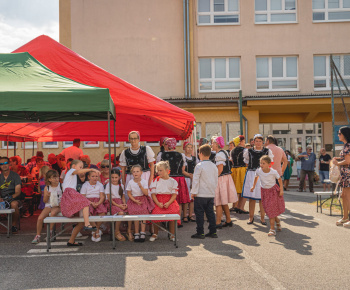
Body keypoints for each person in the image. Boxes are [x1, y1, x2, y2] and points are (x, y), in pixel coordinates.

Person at [60, 159, 101, 247]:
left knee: (82, 218)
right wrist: (91, 170)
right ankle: (88, 224)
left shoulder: (73, 176)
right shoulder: (71, 171)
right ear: (74, 166)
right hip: (69, 194)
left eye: (82, 167)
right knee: (85, 203)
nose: (81, 169)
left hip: (69, 195)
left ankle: (71, 241)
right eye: (80, 167)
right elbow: (78, 171)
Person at [242, 134, 274, 225]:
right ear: (253, 142)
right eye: (256, 141)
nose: (258, 143)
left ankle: (262, 218)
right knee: (252, 198)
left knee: (262, 198)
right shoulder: (249, 151)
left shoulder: (267, 151)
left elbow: (270, 163)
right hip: (252, 174)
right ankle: (251, 217)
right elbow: (247, 162)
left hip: (263, 175)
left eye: (260, 141)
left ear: (262, 142)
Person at [251, 156, 285, 236]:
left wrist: (281, 189)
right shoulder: (259, 171)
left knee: (271, 209)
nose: (261, 165)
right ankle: (277, 221)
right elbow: (256, 177)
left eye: (263, 163)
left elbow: (279, 179)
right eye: (261, 163)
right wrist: (253, 186)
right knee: (268, 209)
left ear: (269, 164)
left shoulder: (273, 171)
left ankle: (272, 229)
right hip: (264, 191)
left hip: (272, 191)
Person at [190, 144, 218, 239]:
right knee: (210, 213)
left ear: (200, 153)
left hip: (200, 194)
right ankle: (213, 231)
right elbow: (215, 179)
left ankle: (200, 232)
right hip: (210, 194)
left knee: (199, 214)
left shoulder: (199, 166)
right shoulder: (214, 166)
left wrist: (193, 192)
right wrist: (213, 190)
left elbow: (196, 180)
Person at [161, 138, 190, 226]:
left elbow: (160, 169)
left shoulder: (162, 155)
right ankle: (178, 221)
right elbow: (183, 169)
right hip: (179, 178)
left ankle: (168, 220)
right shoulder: (181, 155)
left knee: (168, 199)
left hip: (167, 178)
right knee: (179, 200)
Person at [150, 161, 180, 242]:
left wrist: (169, 203)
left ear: (167, 170)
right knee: (155, 214)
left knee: (173, 214)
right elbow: (153, 194)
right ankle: (155, 233)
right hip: (158, 200)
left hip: (170, 201)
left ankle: (172, 234)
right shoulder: (155, 181)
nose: (159, 172)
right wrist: (158, 203)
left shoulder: (173, 181)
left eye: (161, 170)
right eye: (158, 170)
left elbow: (174, 194)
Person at [211, 136, 238, 229]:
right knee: (223, 201)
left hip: (221, 179)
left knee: (218, 201)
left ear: (217, 144)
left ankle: (218, 222)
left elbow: (220, 170)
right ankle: (228, 220)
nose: (212, 145)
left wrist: (213, 179)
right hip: (225, 178)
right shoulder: (224, 152)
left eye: (213, 143)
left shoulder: (219, 155)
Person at [31, 170, 62, 244]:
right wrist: (47, 195)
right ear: (49, 179)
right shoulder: (47, 188)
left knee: (53, 213)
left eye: (57, 177)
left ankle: (50, 232)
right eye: (54, 178)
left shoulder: (61, 186)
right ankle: (38, 235)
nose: (56, 179)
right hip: (49, 204)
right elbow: (45, 201)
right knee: (40, 218)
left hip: (58, 204)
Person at [126, 165, 154, 242]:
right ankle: (136, 232)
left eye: (137, 171)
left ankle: (142, 232)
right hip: (134, 200)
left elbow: (145, 193)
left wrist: (141, 186)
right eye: (134, 171)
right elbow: (129, 193)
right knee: (135, 216)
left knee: (143, 215)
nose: (135, 173)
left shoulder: (144, 181)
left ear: (141, 173)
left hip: (142, 199)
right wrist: (134, 200)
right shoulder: (130, 182)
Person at [80, 171, 107, 242]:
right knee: (88, 214)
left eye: (96, 176)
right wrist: (91, 203)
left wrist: (98, 203)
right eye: (93, 176)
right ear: (88, 177)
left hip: (98, 201)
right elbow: (83, 197)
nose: (95, 178)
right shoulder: (85, 185)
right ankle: (96, 230)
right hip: (88, 201)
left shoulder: (100, 185)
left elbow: (102, 196)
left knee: (102, 213)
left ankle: (95, 229)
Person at [105, 169, 130, 241]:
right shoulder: (108, 185)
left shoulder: (121, 185)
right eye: (112, 177)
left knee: (130, 211)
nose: (114, 179)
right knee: (121, 213)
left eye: (116, 177)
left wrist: (124, 204)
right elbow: (109, 199)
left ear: (119, 177)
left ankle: (129, 231)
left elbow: (122, 197)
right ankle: (116, 231)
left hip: (120, 202)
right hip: (112, 203)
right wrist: (119, 206)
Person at [333, 127, 350, 228]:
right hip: (345, 174)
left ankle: (347, 218)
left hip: (347, 174)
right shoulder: (346, 145)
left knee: (347, 196)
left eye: (339, 133)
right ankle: (345, 217)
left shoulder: (348, 145)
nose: (338, 135)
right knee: (344, 195)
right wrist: (339, 158)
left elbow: (348, 161)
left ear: (344, 134)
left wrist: (337, 163)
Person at [0, 156, 22, 233]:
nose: (4, 165)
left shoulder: (15, 176)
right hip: (2, 199)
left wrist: (9, 198)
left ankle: (13, 226)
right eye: (1, 164)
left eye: (5, 163)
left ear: (9, 164)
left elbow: (18, 192)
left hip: (14, 198)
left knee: (14, 204)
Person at [230, 135, 248, 214]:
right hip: (242, 169)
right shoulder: (245, 150)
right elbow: (247, 162)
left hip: (234, 169)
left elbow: (232, 161)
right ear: (241, 142)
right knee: (242, 189)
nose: (244, 143)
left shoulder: (232, 150)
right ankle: (240, 207)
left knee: (236, 189)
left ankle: (234, 206)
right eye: (244, 141)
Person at [182, 141, 197, 222]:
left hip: (193, 179)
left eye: (191, 147)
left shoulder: (194, 158)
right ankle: (184, 216)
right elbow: (182, 170)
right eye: (188, 147)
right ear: (184, 148)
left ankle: (190, 215)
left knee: (192, 198)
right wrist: (189, 175)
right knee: (185, 198)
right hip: (186, 179)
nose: (190, 149)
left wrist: (193, 177)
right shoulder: (183, 157)